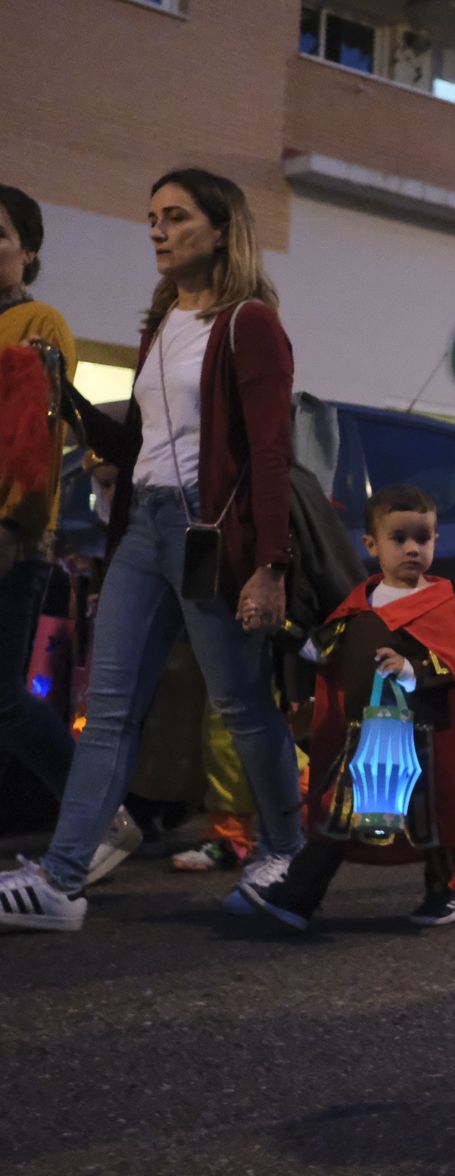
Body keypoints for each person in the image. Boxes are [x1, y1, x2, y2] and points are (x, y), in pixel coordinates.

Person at [0, 167, 304, 931]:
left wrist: (270, 565)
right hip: (143, 529)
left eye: (175, 217)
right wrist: (66, 400)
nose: (158, 232)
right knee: (108, 710)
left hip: (207, 535)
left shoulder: (250, 323)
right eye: (151, 219)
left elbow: (270, 451)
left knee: (240, 703)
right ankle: (61, 883)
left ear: (222, 228)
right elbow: (142, 445)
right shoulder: (163, 320)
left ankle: (288, 848)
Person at [243, 484, 455, 928]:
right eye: (399, 539)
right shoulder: (359, 606)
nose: (413, 549)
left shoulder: (442, 607)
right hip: (365, 738)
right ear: (371, 545)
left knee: (431, 821)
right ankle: (298, 897)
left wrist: (411, 667)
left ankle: (448, 891)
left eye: (423, 538)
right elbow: (321, 649)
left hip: (422, 743)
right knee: (341, 814)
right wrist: (277, 628)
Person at [0, 184, 99, 843]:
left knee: (6, 700)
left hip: (11, 541)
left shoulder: (38, 325)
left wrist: (13, 526)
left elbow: (36, 439)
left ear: (28, 253)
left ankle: (97, 814)